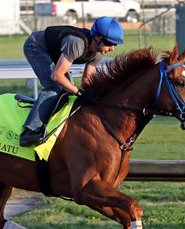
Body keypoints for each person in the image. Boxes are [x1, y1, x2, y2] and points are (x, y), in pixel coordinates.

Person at [19, 16, 124, 147]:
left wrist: (94, 95)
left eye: (115, 44)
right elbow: (57, 76)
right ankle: (30, 131)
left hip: (54, 51)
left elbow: (87, 78)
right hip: (35, 45)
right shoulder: (76, 43)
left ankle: (53, 124)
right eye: (110, 43)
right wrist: (79, 93)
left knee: (67, 89)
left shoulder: (98, 51)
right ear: (97, 38)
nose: (112, 48)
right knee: (55, 87)